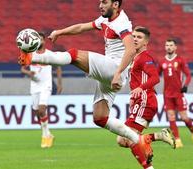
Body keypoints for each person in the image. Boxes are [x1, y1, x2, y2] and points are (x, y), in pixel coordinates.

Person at [18, 0, 153, 167]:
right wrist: (60, 32)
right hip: (110, 74)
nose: (100, 5)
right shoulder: (105, 20)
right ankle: (138, 141)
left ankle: (33, 57)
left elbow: (131, 49)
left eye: (104, 2)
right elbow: (82, 27)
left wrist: (118, 73)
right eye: (100, 2)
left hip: (114, 70)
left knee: (74, 55)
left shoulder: (121, 23)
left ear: (116, 4)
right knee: (100, 118)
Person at [116, 26, 176, 168]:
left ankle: (149, 167)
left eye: (139, 37)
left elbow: (155, 78)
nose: (135, 39)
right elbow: (136, 79)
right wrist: (132, 97)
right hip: (139, 101)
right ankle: (157, 136)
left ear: (145, 42)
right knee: (121, 140)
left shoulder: (145, 57)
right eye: (134, 36)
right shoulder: (133, 56)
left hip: (145, 101)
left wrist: (139, 88)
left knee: (129, 139)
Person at [20, 32, 63, 148]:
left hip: (46, 86)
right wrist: (29, 72)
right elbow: (22, 68)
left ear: (44, 41)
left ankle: (45, 136)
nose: (39, 41)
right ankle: (48, 133)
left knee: (42, 109)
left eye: (41, 39)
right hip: (34, 86)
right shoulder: (30, 54)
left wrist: (59, 84)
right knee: (37, 113)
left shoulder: (50, 55)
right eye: (37, 39)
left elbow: (58, 68)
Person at [158, 39, 193, 148]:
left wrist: (185, 85)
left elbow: (188, 75)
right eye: (167, 45)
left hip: (178, 94)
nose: (169, 47)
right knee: (171, 117)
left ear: (175, 47)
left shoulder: (180, 60)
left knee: (184, 117)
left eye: (171, 45)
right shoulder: (162, 62)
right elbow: (156, 76)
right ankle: (178, 140)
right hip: (167, 95)